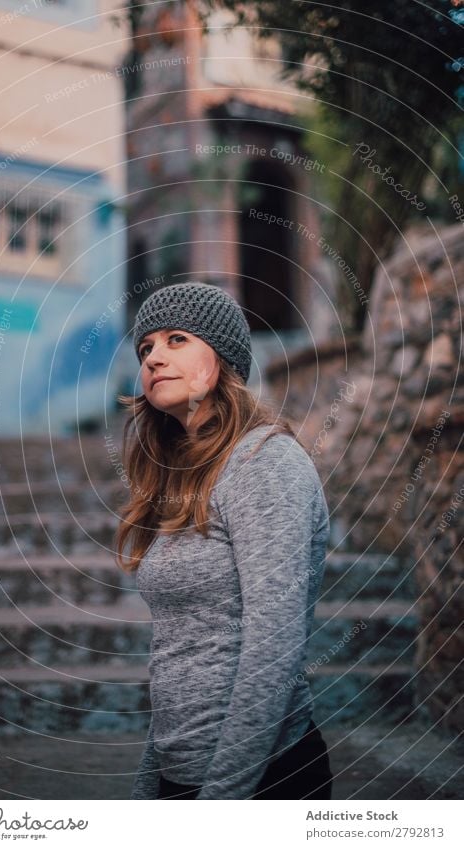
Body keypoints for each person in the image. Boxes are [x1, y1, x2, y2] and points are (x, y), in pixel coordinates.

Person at [115, 281, 333, 800]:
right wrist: (152, 784)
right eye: (145, 348)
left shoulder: (265, 465)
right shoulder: (178, 479)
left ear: (223, 356)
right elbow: (181, 650)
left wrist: (221, 801)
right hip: (182, 774)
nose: (153, 358)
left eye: (175, 340)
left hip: (263, 779)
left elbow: (273, 647)